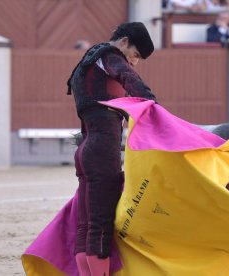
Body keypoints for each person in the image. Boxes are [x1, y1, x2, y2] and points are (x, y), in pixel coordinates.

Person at [66, 22, 157, 276]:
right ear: (125, 42)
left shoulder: (89, 62)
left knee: (87, 226)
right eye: (136, 55)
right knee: (101, 226)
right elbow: (131, 81)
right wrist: (154, 106)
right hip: (102, 149)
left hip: (86, 148)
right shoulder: (110, 57)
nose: (134, 62)